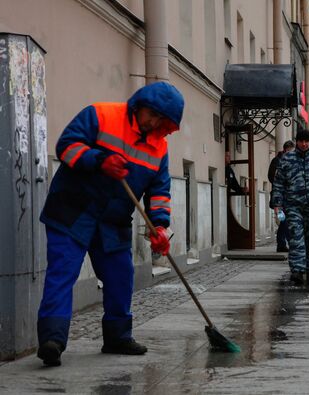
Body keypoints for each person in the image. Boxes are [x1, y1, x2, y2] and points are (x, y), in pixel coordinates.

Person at [36, 82, 185, 367]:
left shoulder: (159, 147)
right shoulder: (101, 115)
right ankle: (52, 340)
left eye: (162, 122)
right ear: (140, 106)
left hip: (112, 220)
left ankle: (117, 336)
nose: (154, 124)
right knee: (62, 273)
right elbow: (66, 146)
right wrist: (98, 160)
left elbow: (159, 190)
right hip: (72, 211)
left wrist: (160, 227)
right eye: (152, 116)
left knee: (120, 276)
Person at [271, 129, 309, 285]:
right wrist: (277, 204)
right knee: (296, 237)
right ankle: (297, 270)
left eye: (307, 141)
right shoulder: (287, 159)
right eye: (301, 141)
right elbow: (278, 182)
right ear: (297, 141)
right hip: (293, 205)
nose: (304, 144)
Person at [268, 140, 295, 252]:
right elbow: (272, 177)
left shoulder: (290, 161)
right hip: (279, 199)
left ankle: (283, 244)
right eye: (290, 151)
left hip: (288, 198)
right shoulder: (277, 161)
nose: (291, 153)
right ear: (285, 149)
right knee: (283, 221)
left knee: (285, 221)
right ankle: (282, 244)